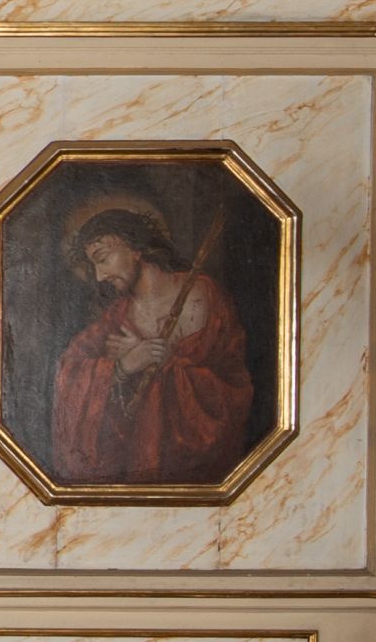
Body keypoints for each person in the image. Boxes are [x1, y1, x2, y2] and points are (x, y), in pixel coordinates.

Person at [47, 197, 256, 488]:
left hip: (209, 475)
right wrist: (123, 366)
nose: (100, 275)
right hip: (141, 467)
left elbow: (235, 385)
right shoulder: (116, 318)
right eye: (93, 266)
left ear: (135, 248)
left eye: (103, 259)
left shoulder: (206, 294)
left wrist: (168, 364)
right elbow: (68, 372)